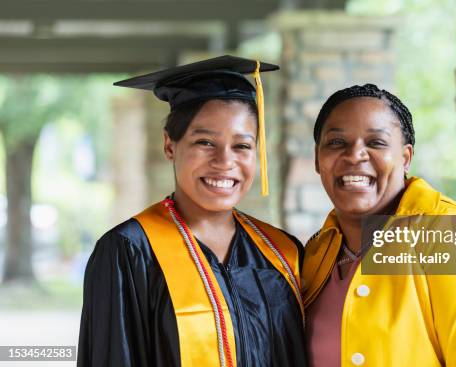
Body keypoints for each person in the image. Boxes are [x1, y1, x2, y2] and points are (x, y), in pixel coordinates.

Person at [78, 55, 306, 367]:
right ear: (170, 145)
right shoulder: (129, 252)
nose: (225, 161)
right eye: (205, 143)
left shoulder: (283, 252)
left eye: (242, 146)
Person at [302, 84, 456, 366]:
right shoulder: (316, 252)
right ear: (317, 159)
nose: (354, 155)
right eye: (337, 143)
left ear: (405, 157)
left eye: (376, 143)